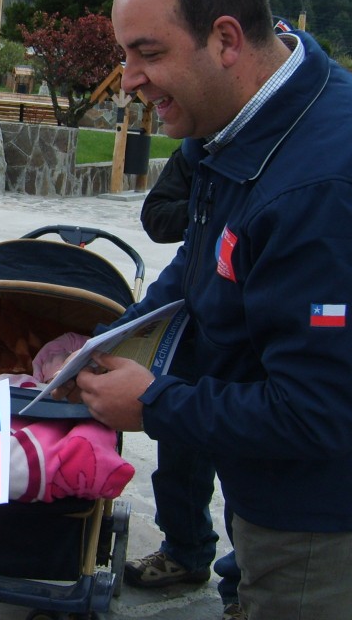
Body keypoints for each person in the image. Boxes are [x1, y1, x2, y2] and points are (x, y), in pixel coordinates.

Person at [73, 0, 352, 620]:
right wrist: (111, 340)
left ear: (226, 40)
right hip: (271, 488)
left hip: (328, 520)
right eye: (125, 54)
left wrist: (155, 404)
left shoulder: (330, 187)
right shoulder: (241, 122)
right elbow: (202, 260)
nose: (130, 78)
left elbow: (317, 412)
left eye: (149, 53)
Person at [131, 144, 244, 620]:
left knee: (244, 466)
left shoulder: (273, 154)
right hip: (192, 327)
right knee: (178, 453)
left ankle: (243, 586)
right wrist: (205, 212)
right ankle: (185, 551)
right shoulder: (196, 149)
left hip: (246, 336)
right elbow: (157, 217)